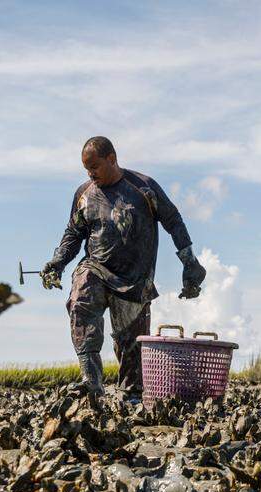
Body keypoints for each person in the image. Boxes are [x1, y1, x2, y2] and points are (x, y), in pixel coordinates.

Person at [41, 136, 206, 398]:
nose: (90, 173)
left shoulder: (144, 188)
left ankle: (130, 396)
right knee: (81, 298)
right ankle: (91, 381)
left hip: (135, 279)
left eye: (94, 167)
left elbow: (173, 221)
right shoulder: (84, 194)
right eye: (86, 169)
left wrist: (189, 263)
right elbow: (73, 233)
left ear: (112, 159)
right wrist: (58, 262)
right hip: (97, 268)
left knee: (130, 348)